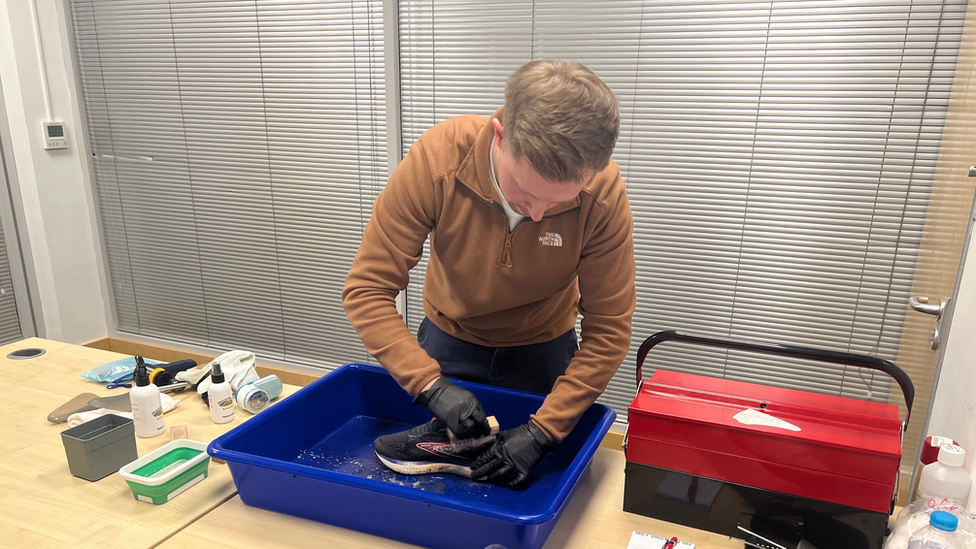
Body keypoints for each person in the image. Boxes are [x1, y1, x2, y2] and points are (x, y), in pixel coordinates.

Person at [342, 60, 636, 488]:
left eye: (558, 203)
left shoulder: (603, 195)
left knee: (532, 485)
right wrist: (429, 385)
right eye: (528, 192)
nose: (537, 214)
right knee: (441, 492)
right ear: (501, 135)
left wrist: (544, 431)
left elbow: (608, 330)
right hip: (448, 340)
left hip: (544, 351)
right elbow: (367, 290)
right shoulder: (438, 160)